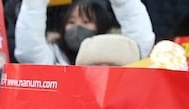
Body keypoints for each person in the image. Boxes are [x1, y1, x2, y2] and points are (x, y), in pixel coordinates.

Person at [14, 0, 154, 65]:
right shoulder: (54, 58)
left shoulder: (117, 55)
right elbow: (29, 49)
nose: (77, 27)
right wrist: (34, 4)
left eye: (86, 22)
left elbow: (140, 43)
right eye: (71, 22)